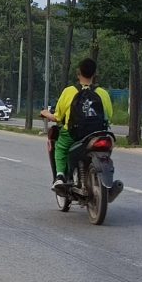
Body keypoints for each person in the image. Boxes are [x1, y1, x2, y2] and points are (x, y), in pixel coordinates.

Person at [40, 57, 113, 191]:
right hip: (98, 135)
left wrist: (45, 113)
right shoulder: (103, 93)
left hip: (73, 135)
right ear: (94, 74)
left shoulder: (69, 92)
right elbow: (109, 115)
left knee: (60, 148)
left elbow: (58, 117)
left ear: (78, 73)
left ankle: (60, 176)